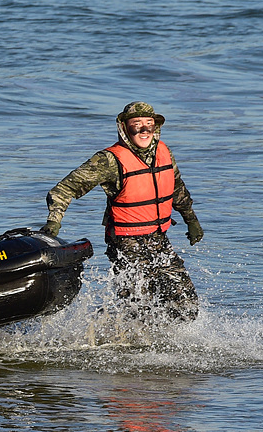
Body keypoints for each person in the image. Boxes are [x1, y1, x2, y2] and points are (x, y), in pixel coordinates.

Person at [40, 102, 203, 322]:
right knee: (139, 307)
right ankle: (117, 339)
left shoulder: (164, 152)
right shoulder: (109, 160)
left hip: (158, 239)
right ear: (125, 128)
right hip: (125, 243)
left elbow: (176, 187)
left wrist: (191, 219)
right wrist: (54, 221)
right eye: (137, 124)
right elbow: (65, 188)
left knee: (186, 305)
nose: (144, 129)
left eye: (149, 124)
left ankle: (162, 342)